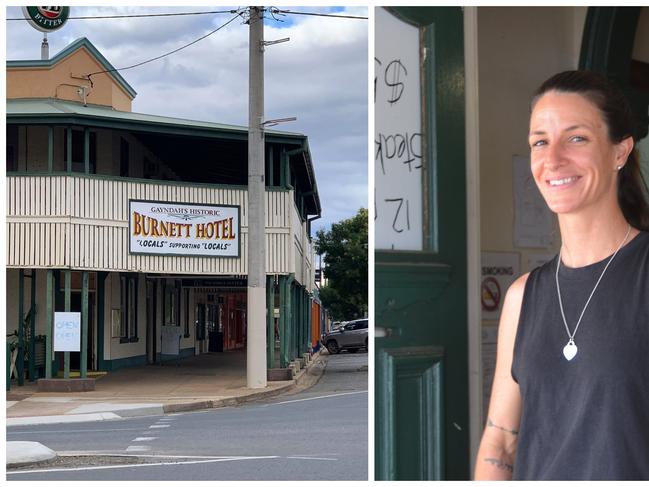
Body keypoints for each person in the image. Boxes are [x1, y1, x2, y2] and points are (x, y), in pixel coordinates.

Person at [475, 70, 649, 480]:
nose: (552, 159)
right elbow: (500, 442)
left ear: (620, 152)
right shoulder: (522, 296)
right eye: (540, 141)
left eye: (576, 137)